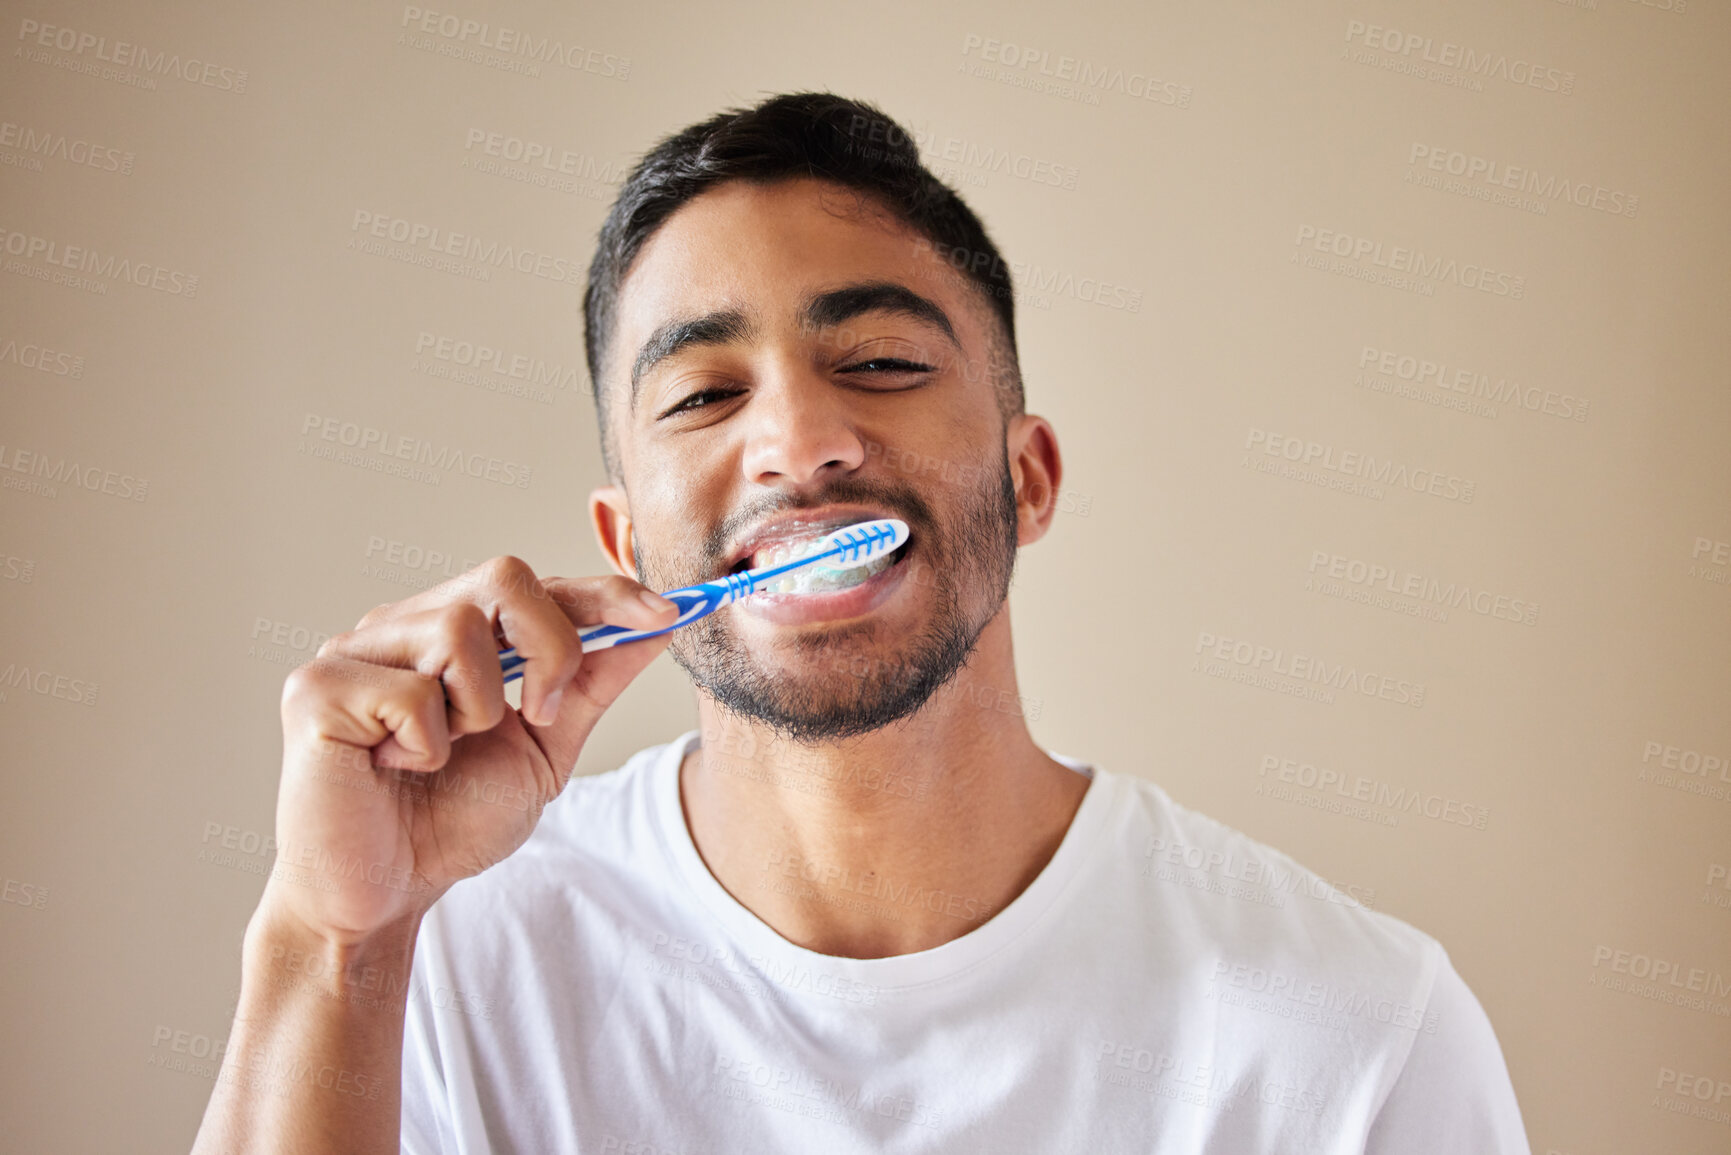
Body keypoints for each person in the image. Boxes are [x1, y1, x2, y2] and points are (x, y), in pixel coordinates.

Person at [193, 92, 1530, 1154]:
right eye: (705, 396)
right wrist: (335, 944)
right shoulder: (442, 966)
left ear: (1029, 477)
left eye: (882, 364)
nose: (799, 442)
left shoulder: (1353, 1038)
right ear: (626, 546)